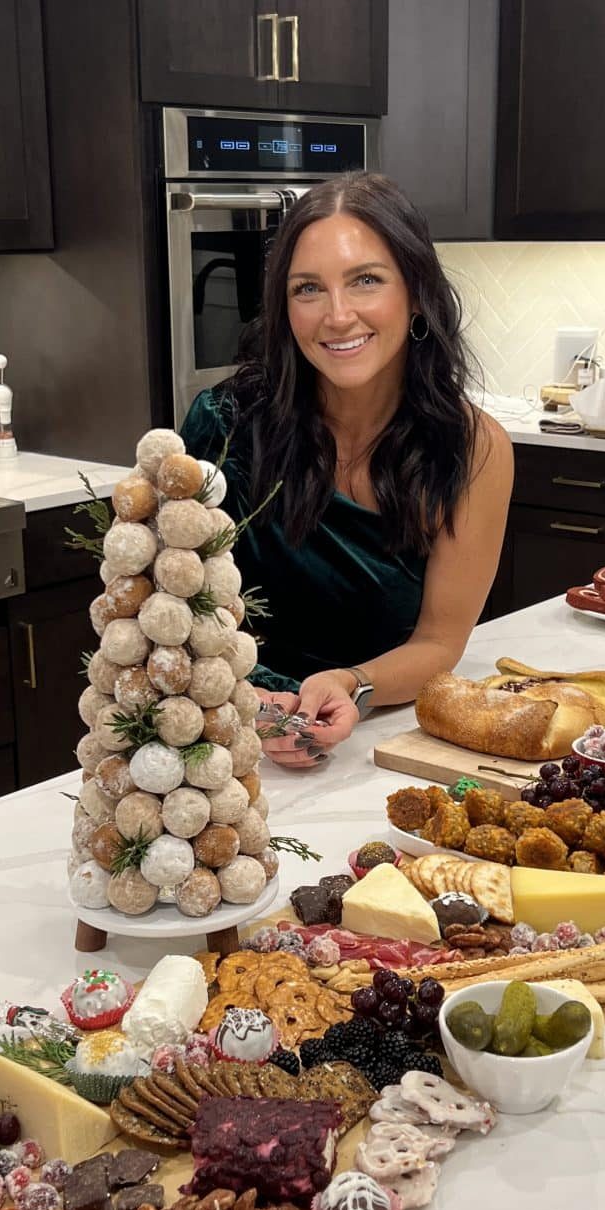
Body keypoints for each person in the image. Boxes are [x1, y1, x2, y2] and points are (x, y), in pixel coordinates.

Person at [180, 171, 513, 771]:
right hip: (215, 745)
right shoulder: (224, 423)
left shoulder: (472, 450)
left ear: (416, 293)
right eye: (308, 288)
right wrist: (238, 697)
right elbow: (179, 607)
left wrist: (352, 683)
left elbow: (440, 642)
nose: (337, 316)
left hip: (372, 751)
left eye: (365, 281)